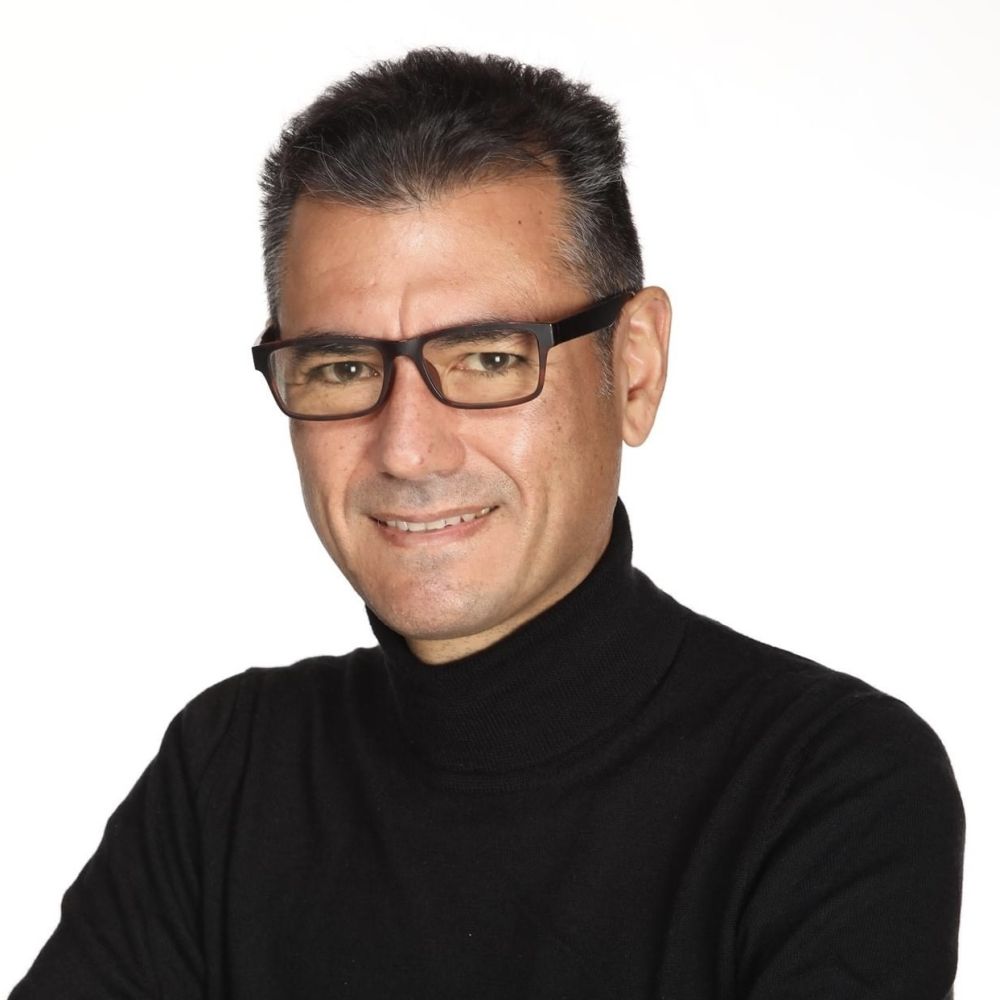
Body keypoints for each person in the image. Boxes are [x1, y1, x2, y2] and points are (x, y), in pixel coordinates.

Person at [11, 48, 964, 1000]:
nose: (407, 451)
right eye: (343, 368)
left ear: (634, 368)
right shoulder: (232, 769)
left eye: (489, 358)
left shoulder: (828, 786)